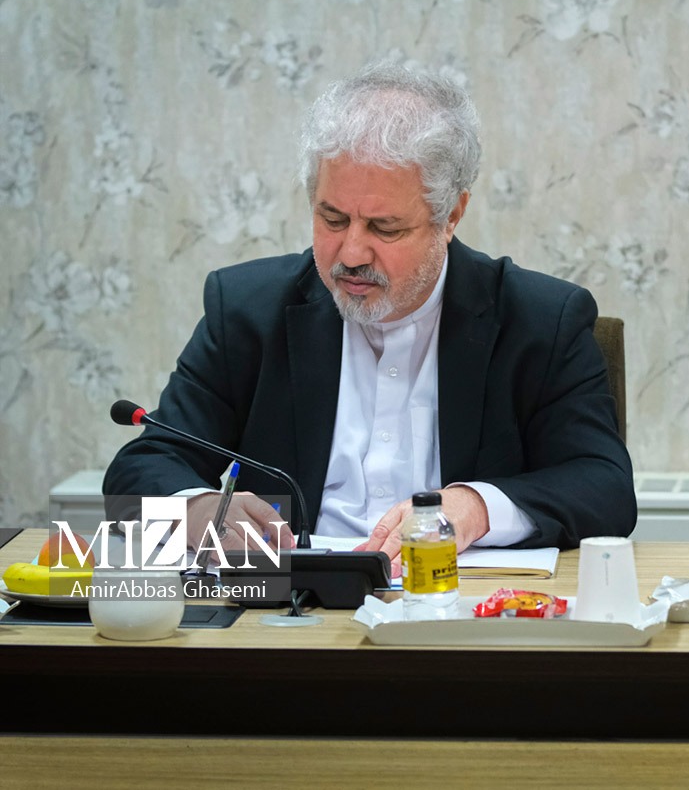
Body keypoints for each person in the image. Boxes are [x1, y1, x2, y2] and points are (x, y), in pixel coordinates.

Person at [104, 62, 636, 570]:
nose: (352, 253)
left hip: (454, 606)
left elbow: (604, 486)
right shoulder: (247, 310)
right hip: (289, 614)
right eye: (333, 219)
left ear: (451, 215)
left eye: (384, 228)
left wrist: (475, 507)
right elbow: (141, 469)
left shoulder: (540, 320)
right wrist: (200, 511)